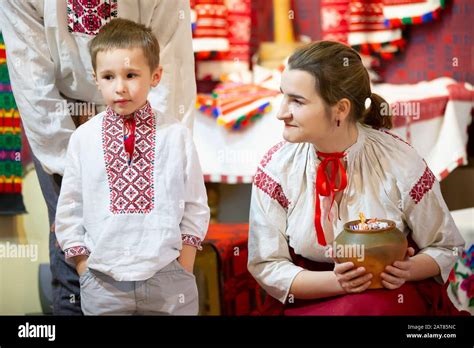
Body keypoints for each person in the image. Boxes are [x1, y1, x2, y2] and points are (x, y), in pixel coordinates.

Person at [0, 0, 196, 315]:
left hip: (147, 113)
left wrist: (158, 145)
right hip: (61, 114)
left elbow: (170, 63)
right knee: (70, 246)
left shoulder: (170, 134)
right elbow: (31, 74)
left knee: (158, 240)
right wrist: (80, 159)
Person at [247, 40, 466, 315]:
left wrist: (408, 269)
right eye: (283, 96)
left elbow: (445, 246)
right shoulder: (276, 168)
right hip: (311, 292)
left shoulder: (398, 161)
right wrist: (338, 282)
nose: (281, 112)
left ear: (340, 109)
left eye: (297, 101)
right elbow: (266, 264)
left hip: (388, 295)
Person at [54, 18, 209, 315]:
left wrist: (184, 264)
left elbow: (194, 204)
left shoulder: (175, 135)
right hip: (103, 282)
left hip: (168, 278)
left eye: (131, 74)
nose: (120, 87)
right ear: (95, 79)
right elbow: (70, 208)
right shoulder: (83, 139)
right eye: (109, 77)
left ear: (155, 76)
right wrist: (84, 267)